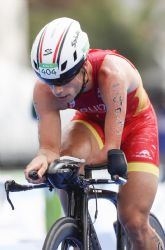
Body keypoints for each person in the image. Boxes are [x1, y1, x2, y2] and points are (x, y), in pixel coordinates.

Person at [25, 17, 163, 249]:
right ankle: (79, 229)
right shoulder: (44, 89)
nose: (57, 90)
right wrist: (42, 160)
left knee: (133, 219)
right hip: (92, 123)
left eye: (64, 80)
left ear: (83, 66)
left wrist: (112, 156)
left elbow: (112, 147)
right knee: (64, 161)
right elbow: (49, 149)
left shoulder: (111, 74)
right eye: (50, 81)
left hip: (137, 126)